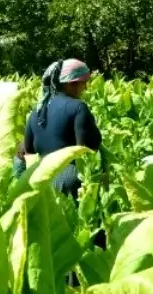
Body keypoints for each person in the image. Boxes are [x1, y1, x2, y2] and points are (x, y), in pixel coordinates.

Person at [22, 58, 102, 198]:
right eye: (84, 84)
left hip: (40, 178)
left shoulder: (37, 110)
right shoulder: (78, 107)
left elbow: (28, 150)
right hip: (66, 179)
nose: (86, 88)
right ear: (72, 84)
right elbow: (81, 151)